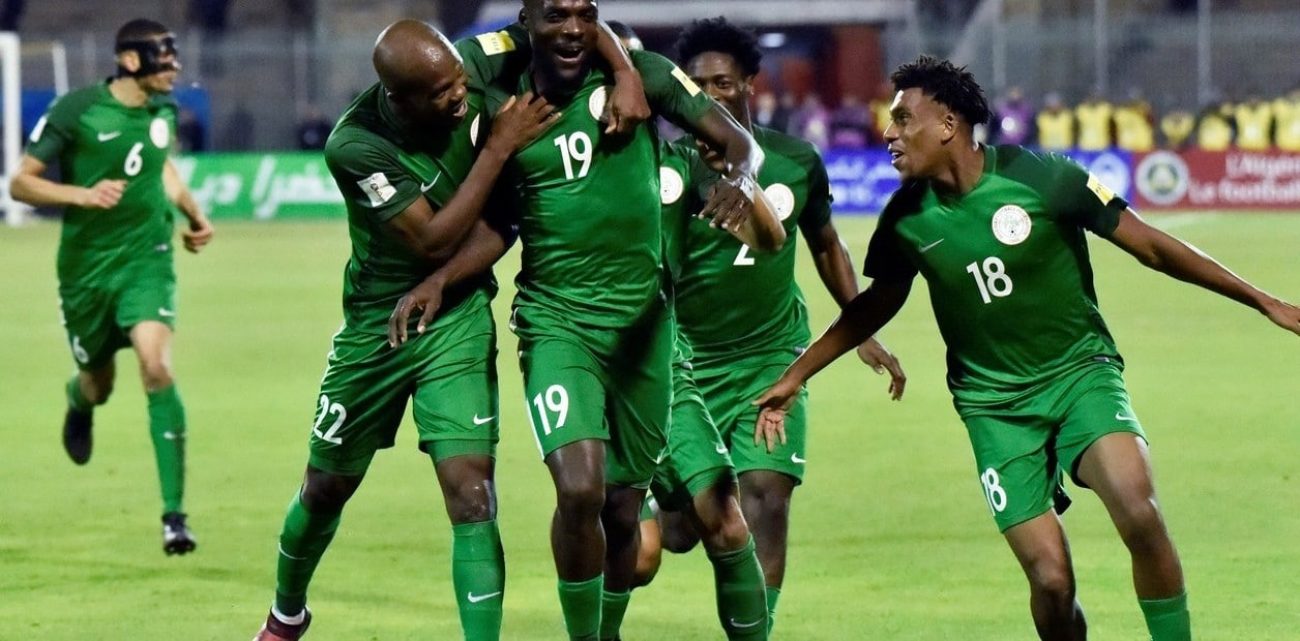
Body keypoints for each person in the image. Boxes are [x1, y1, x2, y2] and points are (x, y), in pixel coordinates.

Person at [755, 55, 1300, 641]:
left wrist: (1263, 300)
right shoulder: (904, 221)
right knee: (1052, 582)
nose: (888, 132)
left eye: (903, 118)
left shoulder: (1045, 179)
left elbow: (1153, 247)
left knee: (1139, 511)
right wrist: (797, 374)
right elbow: (875, 303)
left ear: (948, 124)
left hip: (1079, 375)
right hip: (994, 408)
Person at [252, 17, 650, 641]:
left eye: (458, 81)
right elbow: (433, 240)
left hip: (458, 315)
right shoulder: (356, 145)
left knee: (472, 496)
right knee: (326, 486)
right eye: (440, 93)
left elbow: (559, 22)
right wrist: (497, 148)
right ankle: (286, 614)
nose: (459, 94)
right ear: (400, 98)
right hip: (379, 325)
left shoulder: (470, 63)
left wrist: (625, 70)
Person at [393, 2, 762, 639]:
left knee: (623, 509)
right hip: (558, 325)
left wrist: (744, 180)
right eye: (555, 15)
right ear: (526, 21)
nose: (570, 29)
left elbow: (740, 143)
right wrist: (439, 279)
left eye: (584, 14)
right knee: (580, 489)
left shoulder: (645, 77)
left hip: (645, 333)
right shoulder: (503, 105)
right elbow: (501, 223)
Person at [632, 17, 905, 635]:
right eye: (698, 86)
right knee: (681, 532)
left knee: (766, 496)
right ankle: (655, 499)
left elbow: (827, 245)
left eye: (724, 83)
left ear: (751, 84)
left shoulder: (796, 161)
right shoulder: (665, 168)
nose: (711, 97)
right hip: (686, 366)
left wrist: (861, 329)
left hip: (771, 358)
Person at [9, 18, 214, 555]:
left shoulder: (163, 110)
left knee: (156, 365)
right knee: (98, 385)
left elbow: (162, 168)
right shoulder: (76, 111)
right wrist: (81, 195)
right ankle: (78, 401)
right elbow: (20, 181)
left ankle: (174, 517)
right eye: (164, 57)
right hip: (86, 272)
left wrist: (194, 214)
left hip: (148, 260)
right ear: (129, 61)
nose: (174, 68)